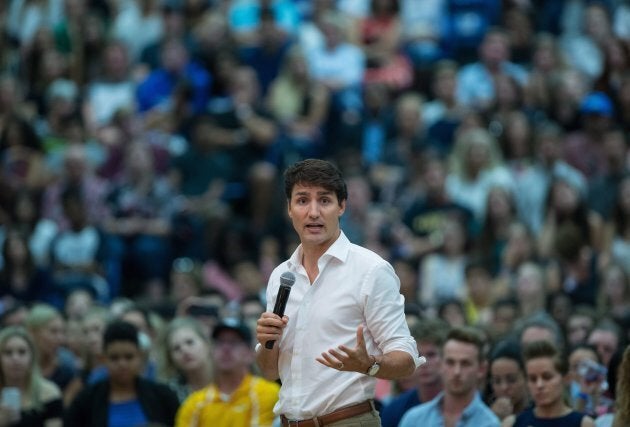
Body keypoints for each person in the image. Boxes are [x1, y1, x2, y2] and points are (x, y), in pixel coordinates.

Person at [255, 158, 423, 426]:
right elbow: (268, 370)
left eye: (324, 200)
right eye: (302, 201)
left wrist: (370, 364)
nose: (313, 212)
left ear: (342, 206)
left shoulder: (371, 270)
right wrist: (266, 343)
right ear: (289, 209)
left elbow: (407, 359)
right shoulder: (280, 277)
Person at [64, 320, 180, 427]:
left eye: (129, 357)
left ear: (140, 356)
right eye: (114, 358)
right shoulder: (86, 401)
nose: (122, 364)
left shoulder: (163, 396)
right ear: (104, 359)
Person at [175, 318, 279, 426]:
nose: (225, 348)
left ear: (249, 353)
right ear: (212, 351)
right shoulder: (194, 404)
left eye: (234, 342)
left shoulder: (268, 393)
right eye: (220, 342)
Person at [399, 326, 501, 427]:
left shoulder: (490, 423)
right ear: (441, 364)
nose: (457, 371)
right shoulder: (413, 419)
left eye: (465, 363)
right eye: (450, 362)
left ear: (481, 369)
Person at [502, 339, 594, 427]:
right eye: (533, 379)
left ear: (566, 378)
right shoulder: (512, 423)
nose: (539, 385)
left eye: (547, 377)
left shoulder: (584, 424)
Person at [380, 318, 448, 427]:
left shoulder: (464, 404)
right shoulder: (393, 410)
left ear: (446, 357)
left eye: (431, 354)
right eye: (418, 355)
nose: (424, 363)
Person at [0, 326, 63, 427]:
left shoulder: (49, 392)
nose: (15, 359)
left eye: (22, 352)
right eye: (8, 353)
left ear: (32, 357)